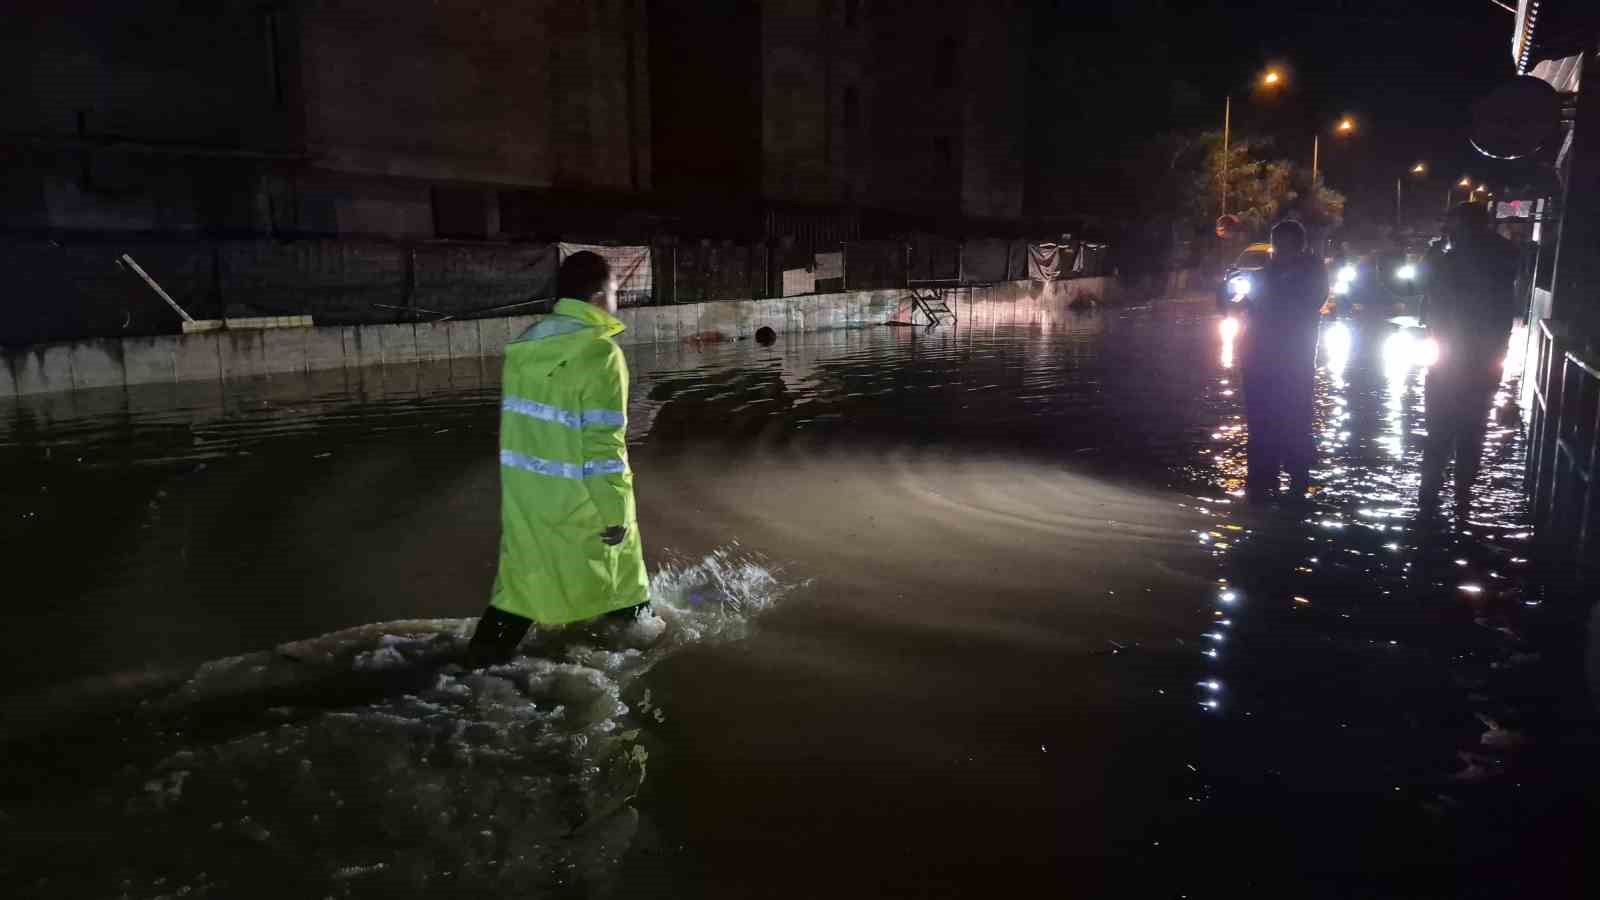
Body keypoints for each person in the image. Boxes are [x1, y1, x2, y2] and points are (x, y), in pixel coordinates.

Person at [467, 251, 650, 665]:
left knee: (521, 586)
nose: (618, 300)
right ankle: (649, 652)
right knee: (624, 585)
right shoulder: (600, 354)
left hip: (527, 497)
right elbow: (604, 446)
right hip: (581, 500)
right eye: (617, 290)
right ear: (600, 296)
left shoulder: (529, 344)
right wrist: (616, 510)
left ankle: (474, 664)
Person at [1417, 202, 1520, 519]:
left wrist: (1435, 255)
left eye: (1454, 223)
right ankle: (1461, 496)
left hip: (1454, 356)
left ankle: (1431, 497)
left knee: (1440, 429)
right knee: (1471, 428)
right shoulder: (1503, 256)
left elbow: (1428, 287)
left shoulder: (1452, 258)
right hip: (1483, 357)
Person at [1239, 219, 1329, 504]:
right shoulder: (1268, 273)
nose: (1281, 249)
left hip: (1292, 359)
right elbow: (1248, 305)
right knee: (1261, 419)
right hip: (1260, 358)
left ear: (1298, 246)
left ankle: (1295, 477)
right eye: (1279, 243)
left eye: (1286, 244)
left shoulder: (1311, 273)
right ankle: (1262, 478)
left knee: (1293, 418)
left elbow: (1307, 303)